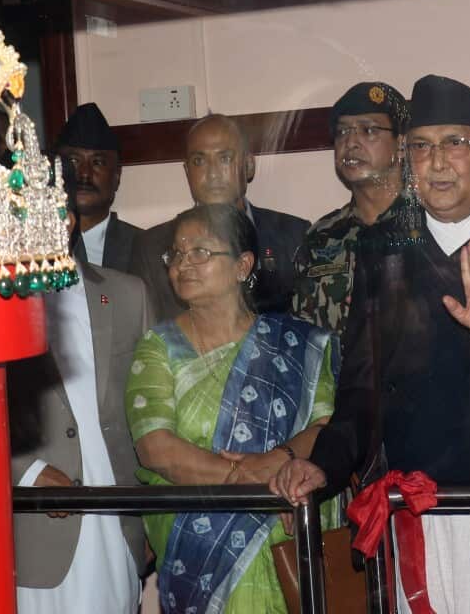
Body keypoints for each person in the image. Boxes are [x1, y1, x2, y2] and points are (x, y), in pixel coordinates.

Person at [272, 74, 470, 613]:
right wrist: (324, 466)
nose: (438, 162)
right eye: (421, 147)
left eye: (456, 143)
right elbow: (361, 391)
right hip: (416, 513)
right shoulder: (384, 249)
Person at [125, 203, 337, 614]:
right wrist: (258, 485)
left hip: (285, 540)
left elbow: (325, 425)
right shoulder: (158, 347)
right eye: (176, 255)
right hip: (198, 547)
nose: (183, 264)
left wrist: (281, 461)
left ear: (243, 265)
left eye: (201, 252)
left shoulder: (298, 344)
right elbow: (155, 448)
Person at [7, 161, 150, 614]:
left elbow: (149, 412)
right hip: (36, 528)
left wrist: (154, 522)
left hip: (117, 528)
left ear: (65, 218)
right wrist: (26, 475)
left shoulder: (127, 294)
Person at [131, 114, 310, 322]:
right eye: (199, 161)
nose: (213, 173)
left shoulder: (293, 235)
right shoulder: (152, 248)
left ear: (248, 166)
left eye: (225, 158)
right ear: (187, 171)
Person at [291, 81, 412, 337]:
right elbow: (303, 337)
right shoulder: (321, 238)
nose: (351, 142)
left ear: (401, 145)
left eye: (368, 130)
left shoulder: (432, 223)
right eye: (343, 132)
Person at [58, 102, 143, 273]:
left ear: (117, 177)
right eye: (74, 161)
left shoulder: (143, 247)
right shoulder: (32, 246)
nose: (84, 174)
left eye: (97, 162)